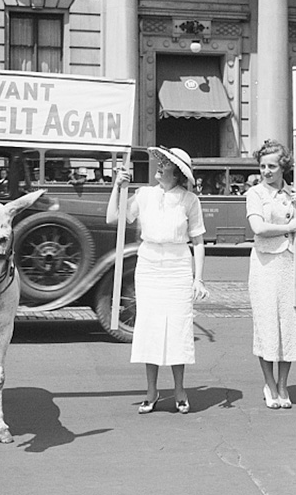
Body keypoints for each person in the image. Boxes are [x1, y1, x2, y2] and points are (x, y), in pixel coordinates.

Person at [107, 146, 209, 415]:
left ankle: (179, 390)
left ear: (176, 173)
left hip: (177, 266)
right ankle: (151, 391)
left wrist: (199, 279)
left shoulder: (189, 201)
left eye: (165, 163)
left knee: (177, 327)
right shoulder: (144, 194)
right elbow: (113, 218)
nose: (159, 165)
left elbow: (198, 242)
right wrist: (117, 187)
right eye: (160, 161)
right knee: (150, 328)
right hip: (149, 264)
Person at [244, 139, 296, 409]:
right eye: (262, 166)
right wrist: (288, 227)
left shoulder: (293, 193)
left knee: (289, 324)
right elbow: (258, 228)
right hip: (264, 266)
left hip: (289, 265)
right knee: (267, 324)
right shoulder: (256, 194)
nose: (266, 171)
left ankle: (283, 385)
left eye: (272, 166)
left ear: (283, 167)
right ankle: (269, 384)